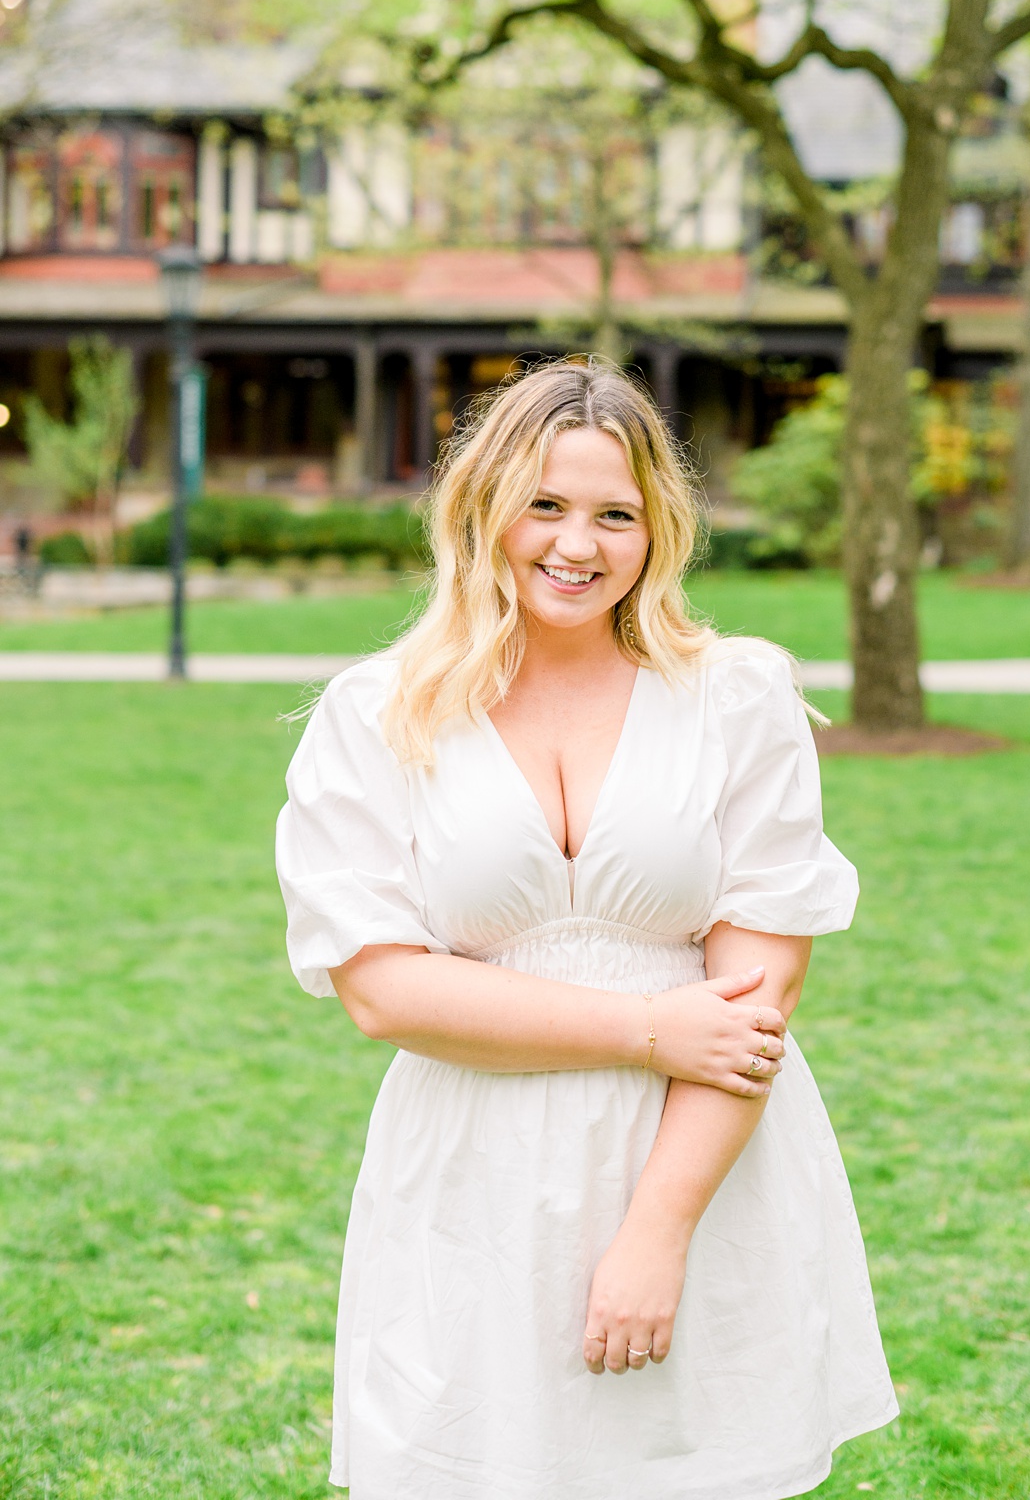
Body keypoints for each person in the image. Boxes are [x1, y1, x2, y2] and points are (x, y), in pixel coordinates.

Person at [276, 357, 896, 1500]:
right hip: (474, 1172)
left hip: (701, 1159)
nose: (579, 544)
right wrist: (653, 1027)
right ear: (483, 510)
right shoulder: (378, 712)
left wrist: (657, 1233)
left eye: (616, 513)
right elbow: (383, 991)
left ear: (659, 528)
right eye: (545, 506)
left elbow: (755, 1004)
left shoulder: (739, 697)